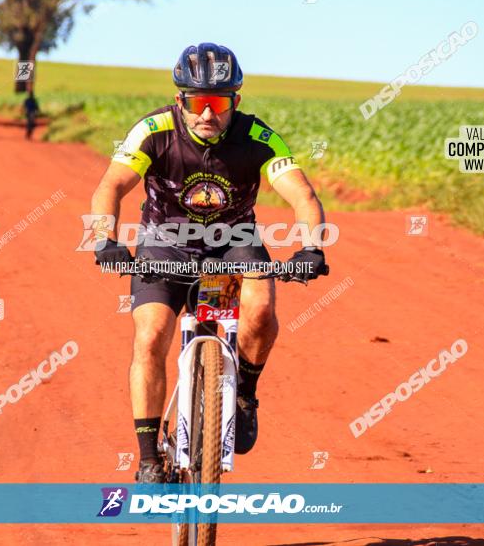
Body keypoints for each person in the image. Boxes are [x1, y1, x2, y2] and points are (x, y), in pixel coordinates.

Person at [89, 43, 329, 483]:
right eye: (196, 102)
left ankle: (245, 396)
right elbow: (111, 186)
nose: (207, 114)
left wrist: (312, 247)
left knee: (260, 310)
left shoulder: (258, 137)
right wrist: (103, 238)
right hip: (165, 242)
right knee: (151, 334)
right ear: (180, 100)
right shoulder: (153, 130)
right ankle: (147, 457)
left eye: (218, 103)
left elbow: (302, 195)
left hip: (233, 240)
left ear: (235, 102)